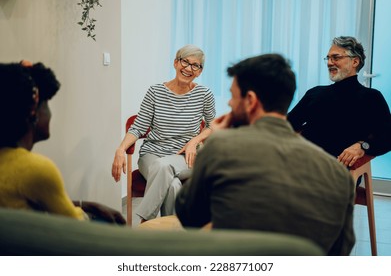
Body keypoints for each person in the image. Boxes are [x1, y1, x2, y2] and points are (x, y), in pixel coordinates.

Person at [175, 53, 355, 255]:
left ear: (250, 101)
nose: (230, 105)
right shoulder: (339, 174)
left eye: (233, 97)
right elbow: (342, 249)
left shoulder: (222, 148)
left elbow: (189, 216)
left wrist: (211, 144)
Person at [0, 61, 126, 224]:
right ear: (33, 111)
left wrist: (87, 205)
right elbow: (78, 229)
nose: (50, 114)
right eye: (47, 105)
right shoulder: (37, 170)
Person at [111, 45, 216, 222]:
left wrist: (194, 142)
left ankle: (145, 222)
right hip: (152, 155)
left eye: (195, 65)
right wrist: (120, 149)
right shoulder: (155, 92)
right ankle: (171, 237)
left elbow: (213, 125)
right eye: (185, 62)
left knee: (163, 166)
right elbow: (138, 127)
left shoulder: (204, 94)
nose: (188, 68)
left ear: (199, 71)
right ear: (176, 63)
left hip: (184, 158)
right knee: (172, 185)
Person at [288, 36, 391, 168]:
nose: (330, 63)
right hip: (299, 163)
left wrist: (362, 146)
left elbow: (387, 137)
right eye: (328, 58)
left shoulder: (371, 97)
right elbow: (288, 123)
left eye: (336, 58)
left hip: (333, 170)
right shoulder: (315, 93)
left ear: (355, 62)